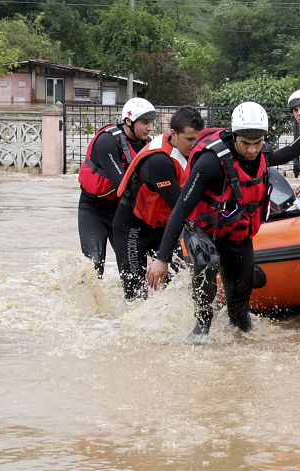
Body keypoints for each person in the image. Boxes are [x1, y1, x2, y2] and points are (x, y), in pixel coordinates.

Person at [145, 102, 271, 337]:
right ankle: (201, 327)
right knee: (207, 263)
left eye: (258, 143)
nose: (253, 150)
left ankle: (240, 348)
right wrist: (162, 259)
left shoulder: (263, 155)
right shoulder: (210, 162)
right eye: (246, 143)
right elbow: (180, 210)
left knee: (241, 311)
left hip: (236, 233)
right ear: (235, 137)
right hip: (202, 230)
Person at [112, 106, 205, 300]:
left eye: (198, 139)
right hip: (133, 226)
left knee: (175, 284)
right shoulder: (159, 161)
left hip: (162, 225)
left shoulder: (193, 150)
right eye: (189, 139)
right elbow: (182, 208)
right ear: (173, 134)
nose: (194, 144)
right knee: (136, 291)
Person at [77, 97, 156, 277]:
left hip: (122, 211)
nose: (149, 128)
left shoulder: (148, 145)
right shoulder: (107, 141)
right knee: (94, 263)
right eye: (145, 123)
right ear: (129, 121)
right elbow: (122, 184)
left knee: (132, 271)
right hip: (93, 209)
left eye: (151, 123)